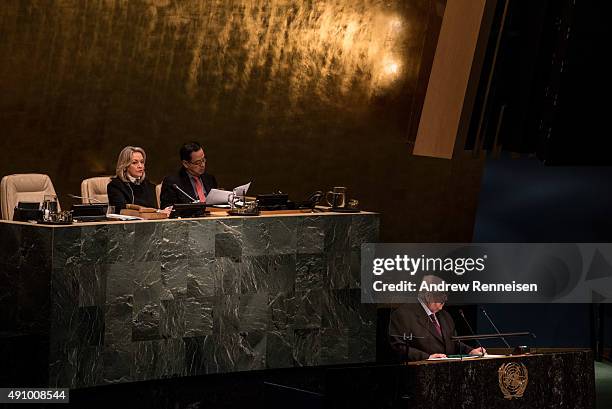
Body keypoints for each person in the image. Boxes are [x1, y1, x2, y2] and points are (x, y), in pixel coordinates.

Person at [388, 275, 486, 361]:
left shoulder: (445, 316)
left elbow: (454, 343)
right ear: (428, 296)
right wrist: (428, 357)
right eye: (442, 294)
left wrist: (470, 351)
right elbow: (398, 347)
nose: (446, 299)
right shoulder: (403, 315)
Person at [159, 141, 217, 209]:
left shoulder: (209, 179)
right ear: (185, 164)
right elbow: (167, 208)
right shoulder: (173, 183)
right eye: (198, 162)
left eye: (203, 160)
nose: (203, 165)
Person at [107, 146, 158, 211]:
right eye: (134, 162)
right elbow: (122, 209)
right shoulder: (115, 185)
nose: (140, 166)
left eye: (142, 162)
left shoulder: (149, 185)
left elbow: (154, 209)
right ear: (125, 166)